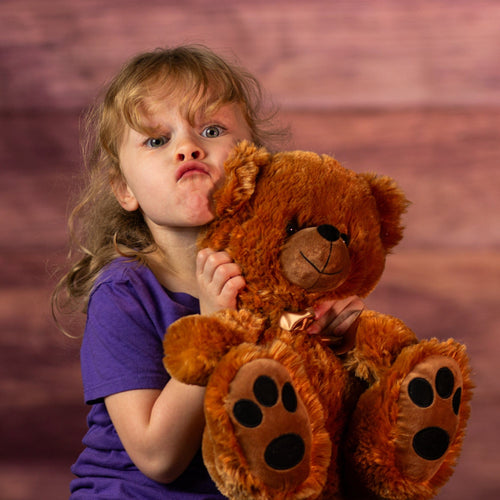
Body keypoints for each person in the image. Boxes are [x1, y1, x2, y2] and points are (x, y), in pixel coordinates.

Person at [53, 45, 363, 499]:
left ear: (254, 163)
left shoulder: (276, 284)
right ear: (124, 189)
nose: (187, 147)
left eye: (212, 129)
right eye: (157, 140)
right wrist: (216, 327)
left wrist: (333, 344)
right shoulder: (124, 293)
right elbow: (157, 458)